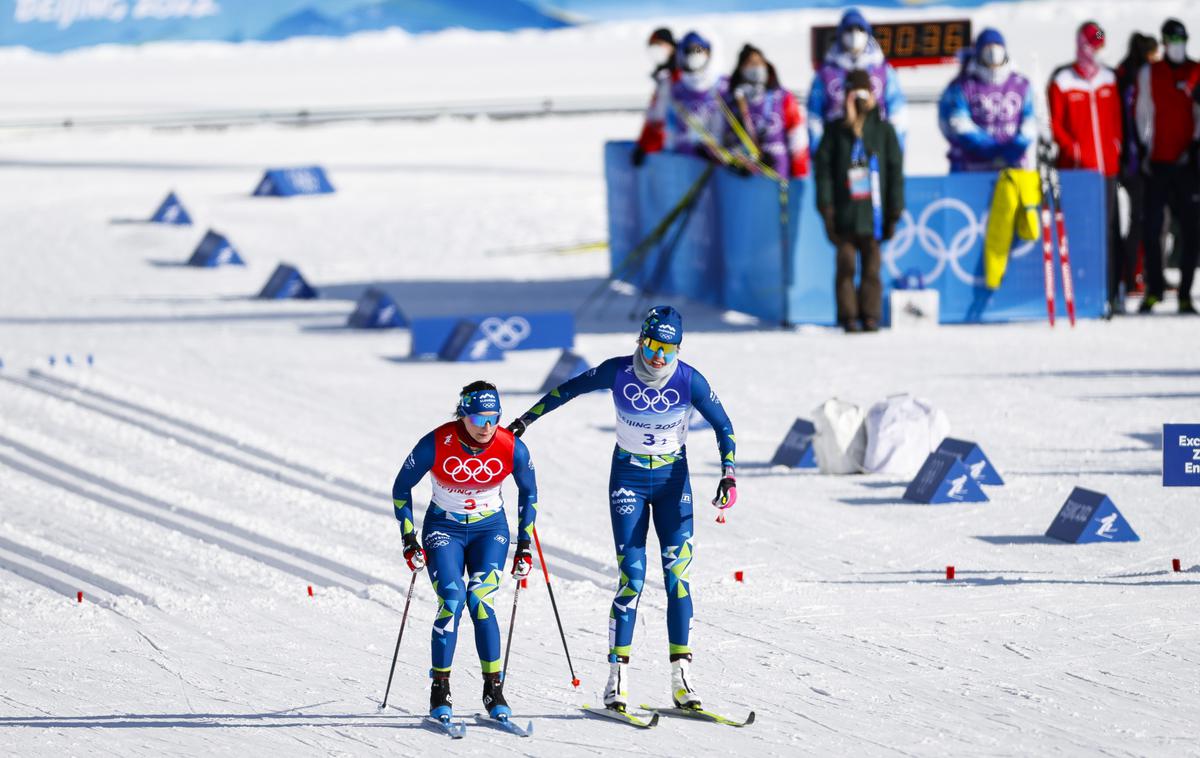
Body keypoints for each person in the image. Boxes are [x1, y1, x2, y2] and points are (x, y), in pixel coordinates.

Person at [506, 305, 736, 713]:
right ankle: (617, 678)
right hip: (628, 479)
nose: (658, 356)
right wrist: (524, 422)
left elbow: (724, 426)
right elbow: (568, 389)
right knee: (632, 578)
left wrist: (728, 474)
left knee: (677, 577)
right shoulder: (617, 371)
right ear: (640, 341)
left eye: (668, 348)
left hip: (672, 482)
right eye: (651, 345)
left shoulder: (689, 380)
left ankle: (681, 678)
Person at [391, 381, 538, 721]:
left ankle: (493, 688)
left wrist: (525, 545)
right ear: (463, 415)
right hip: (445, 529)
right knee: (452, 602)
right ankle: (439, 688)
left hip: (490, 530)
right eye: (478, 419)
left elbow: (528, 492)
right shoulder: (436, 442)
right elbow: (401, 488)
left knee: (480, 600)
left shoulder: (511, 446)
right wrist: (409, 539)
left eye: (494, 418)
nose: (487, 427)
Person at [814, 69, 904, 333]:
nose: (860, 100)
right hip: (844, 214)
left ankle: (870, 315)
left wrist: (894, 211)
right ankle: (848, 316)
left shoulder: (884, 131)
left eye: (865, 94)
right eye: (855, 94)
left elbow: (895, 171)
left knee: (873, 267)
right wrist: (826, 209)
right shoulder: (834, 132)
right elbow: (823, 174)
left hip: (874, 214)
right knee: (846, 265)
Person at [1048, 21, 1124, 315]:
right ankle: (1081, 289)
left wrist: (1116, 147)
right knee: (1081, 231)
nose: (1095, 50)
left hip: (1107, 171)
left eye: (1099, 45)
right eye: (1091, 44)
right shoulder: (1064, 81)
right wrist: (1074, 151)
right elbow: (1056, 124)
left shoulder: (1108, 78)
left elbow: (1117, 120)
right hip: (1078, 173)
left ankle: (1111, 290)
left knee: (1109, 230)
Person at [1136, 18, 1200, 314]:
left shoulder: (1195, 70)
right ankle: (1154, 289)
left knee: (1190, 229)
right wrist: (1145, 149)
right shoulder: (1150, 72)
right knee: (1152, 229)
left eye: (1182, 40)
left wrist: (1195, 146)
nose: (1178, 47)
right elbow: (1143, 112)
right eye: (1173, 41)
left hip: (1187, 162)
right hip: (1158, 162)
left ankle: (1186, 292)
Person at [808, 7, 908, 155]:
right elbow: (814, 115)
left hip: (875, 148)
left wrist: (894, 148)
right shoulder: (826, 73)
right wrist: (820, 151)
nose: (855, 34)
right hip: (837, 148)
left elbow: (897, 111)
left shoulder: (883, 71)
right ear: (841, 34)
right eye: (849, 30)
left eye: (860, 29)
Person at [938, 28, 1037, 173]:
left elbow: (1032, 120)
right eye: (987, 50)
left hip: (1014, 167)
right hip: (971, 168)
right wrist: (988, 148)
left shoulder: (1021, 84)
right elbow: (956, 123)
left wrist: (1015, 147)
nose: (993, 55)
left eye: (997, 49)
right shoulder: (963, 86)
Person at [1116, 33, 1162, 303]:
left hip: (1136, 161)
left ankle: (1143, 274)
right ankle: (1132, 274)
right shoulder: (1133, 78)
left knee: (1147, 219)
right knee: (1139, 220)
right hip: (1133, 163)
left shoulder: (1127, 73)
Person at [723, 43, 809, 178]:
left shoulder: (782, 97)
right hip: (744, 177)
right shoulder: (732, 102)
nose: (756, 67)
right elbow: (725, 141)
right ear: (741, 68)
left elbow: (797, 136)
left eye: (759, 63)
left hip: (778, 171)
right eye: (751, 63)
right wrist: (736, 161)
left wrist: (799, 172)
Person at [663, 30, 729, 161]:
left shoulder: (724, 85)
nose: (695, 55)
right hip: (684, 161)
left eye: (699, 50)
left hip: (718, 161)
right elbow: (670, 127)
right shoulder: (676, 90)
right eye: (690, 51)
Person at [632, 28, 678, 167]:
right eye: (651, 46)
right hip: (663, 151)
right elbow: (655, 118)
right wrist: (644, 145)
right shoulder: (663, 78)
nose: (655, 50)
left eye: (659, 45)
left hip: (678, 150)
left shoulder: (681, 77)